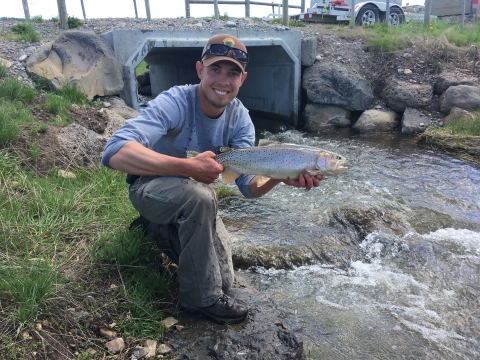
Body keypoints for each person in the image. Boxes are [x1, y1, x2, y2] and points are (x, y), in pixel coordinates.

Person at [101, 34, 323, 325]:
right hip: (148, 188)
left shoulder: (240, 118)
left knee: (226, 282)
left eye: (232, 73)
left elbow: (248, 188)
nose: (223, 80)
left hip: (195, 201)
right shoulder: (175, 101)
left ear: (243, 79)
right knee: (203, 199)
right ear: (199, 70)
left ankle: (158, 231)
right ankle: (198, 300)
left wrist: (279, 177)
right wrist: (185, 166)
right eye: (215, 69)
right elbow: (114, 152)